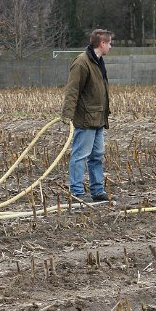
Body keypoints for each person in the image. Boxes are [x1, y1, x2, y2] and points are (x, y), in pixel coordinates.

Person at [60, 29, 113, 202]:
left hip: (98, 118)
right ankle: (76, 192)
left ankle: (97, 191)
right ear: (102, 43)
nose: (110, 47)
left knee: (97, 155)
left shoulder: (99, 62)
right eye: (109, 43)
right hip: (86, 118)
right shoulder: (82, 63)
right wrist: (67, 114)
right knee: (80, 155)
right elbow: (72, 90)